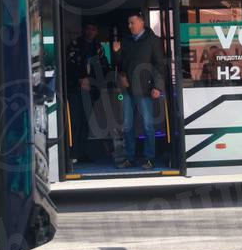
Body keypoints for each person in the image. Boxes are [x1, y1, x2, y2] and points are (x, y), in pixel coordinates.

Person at [112, 12, 166, 169]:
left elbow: (160, 65)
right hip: (128, 89)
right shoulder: (126, 41)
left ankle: (149, 158)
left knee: (148, 125)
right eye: (128, 23)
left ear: (142, 22)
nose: (130, 26)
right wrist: (116, 53)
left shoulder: (153, 41)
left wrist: (157, 87)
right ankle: (130, 157)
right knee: (128, 126)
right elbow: (118, 64)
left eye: (132, 23)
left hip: (146, 89)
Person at [64, 22, 109, 162]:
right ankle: (72, 154)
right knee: (75, 122)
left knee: (85, 122)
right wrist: (80, 80)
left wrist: (92, 81)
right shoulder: (75, 44)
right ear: (84, 30)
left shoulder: (98, 48)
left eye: (93, 29)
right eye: (88, 29)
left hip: (91, 91)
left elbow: (105, 67)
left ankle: (81, 153)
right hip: (75, 89)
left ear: (96, 32)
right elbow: (68, 65)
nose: (90, 31)